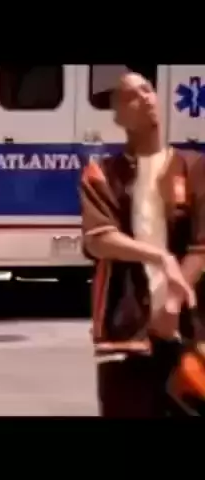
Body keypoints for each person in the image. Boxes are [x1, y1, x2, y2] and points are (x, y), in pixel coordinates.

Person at [80, 72, 205, 417]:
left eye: (148, 90)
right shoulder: (102, 173)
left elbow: (201, 246)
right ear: (118, 116)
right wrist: (161, 256)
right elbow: (99, 238)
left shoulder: (194, 167)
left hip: (189, 333)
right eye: (132, 96)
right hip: (126, 334)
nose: (145, 98)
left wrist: (173, 303)